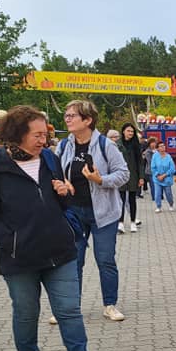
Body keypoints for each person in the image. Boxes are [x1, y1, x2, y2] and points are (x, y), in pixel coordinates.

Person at [0, 105, 104, 351]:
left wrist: (65, 195)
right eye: (37, 135)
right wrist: (10, 241)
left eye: (45, 134)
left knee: (69, 309)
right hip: (19, 258)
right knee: (26, 311)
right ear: (17, 134)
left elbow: (62, 199)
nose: (43, 140)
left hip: (59, 249)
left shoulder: (49, 158)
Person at [58, 99, 130, 321]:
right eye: (66, 115)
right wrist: (62, 183)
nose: (67, 119)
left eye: (72, 115)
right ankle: (71, 308)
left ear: (87, 120)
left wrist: (101, 180)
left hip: (104, 213)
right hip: (73, 213)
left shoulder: (105, 145)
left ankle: (110, 305)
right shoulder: (63, 145)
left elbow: (123, 173)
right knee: (73, 261)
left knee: (105, 259)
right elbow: (55, 172)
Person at [117, 123, 144, 232]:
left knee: (132, 199)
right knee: (121, 200)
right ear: (123, 131)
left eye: (132, 132)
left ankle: (133, 222)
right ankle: (120, 223)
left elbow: (140, 162)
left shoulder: (136, 145)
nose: (130, 133)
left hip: (133, 175)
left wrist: (141, 177)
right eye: (128, 131)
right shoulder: (118, 145)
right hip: (121, 175)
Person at [150, 140, 176, 212]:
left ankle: (171, 204)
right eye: (161, 146)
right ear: (158, 148)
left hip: (167, 178)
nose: (163, 147)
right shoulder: (155, 156)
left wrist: (164, 175)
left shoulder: (168, 157)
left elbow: (172, 168)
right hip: (157, 178)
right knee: (157, 193)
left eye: (164, 146)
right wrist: (158, 175)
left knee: (168, 193)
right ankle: (158, 206)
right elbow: (153, 167)